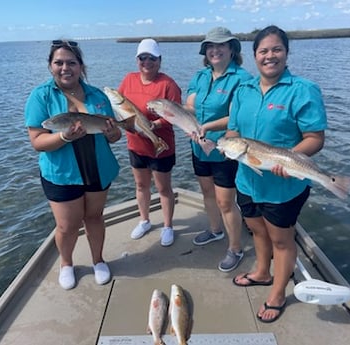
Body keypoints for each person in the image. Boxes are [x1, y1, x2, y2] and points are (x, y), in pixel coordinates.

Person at [227, 25, 328, 322]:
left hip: (283, 186)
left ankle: (279, 291)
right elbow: (234, 130)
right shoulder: (243, 89)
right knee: (257, 229)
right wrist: (227, 144)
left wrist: (293, 159)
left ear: (286, 53)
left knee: (282, 241)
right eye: (263, 51)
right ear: (254, 55)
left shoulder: (302, 89)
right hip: (247, 179)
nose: (269, 56)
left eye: (276, 49)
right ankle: (261, 272)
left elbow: (315, 137)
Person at [24, 40, 122, 290]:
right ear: (50, 66)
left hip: (98, 169)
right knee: (67, 226)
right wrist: (65, 136)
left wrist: (112, 133)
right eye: (59, 62)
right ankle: (66, 264)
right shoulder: (41, 96)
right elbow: (37, 141)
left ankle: (98, 260)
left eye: (71, 62)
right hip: (62, 173)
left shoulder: (98, 95)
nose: (65, 68)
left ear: (80, 66)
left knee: (95, 217)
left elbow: (114, 136)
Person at [185, 27, 253, 272]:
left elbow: (238, 115)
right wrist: (177, 116)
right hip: (198, 147)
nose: (214, 50)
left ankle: (235, 248)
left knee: (226, 202)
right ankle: (214, 230)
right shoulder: (200, 76)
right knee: (207, 194)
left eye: (220, 45)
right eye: (210, 46)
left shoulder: (242, 79)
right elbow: (190, 105)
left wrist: (208, 125)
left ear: (232, 49)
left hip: (225, 149)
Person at [118, 38, 182, 246]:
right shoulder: (128, 79)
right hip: (135, 144)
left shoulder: (168, 84)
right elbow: (119, 104)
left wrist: (157, 124)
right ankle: (144, 220)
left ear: (159, 60)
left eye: (151, 58)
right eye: (142, 58)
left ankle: (167, 226)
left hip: (161, 145)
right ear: (137, 60)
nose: (146, 62)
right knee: (141, 184)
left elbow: (176, 114)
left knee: (163, 188)